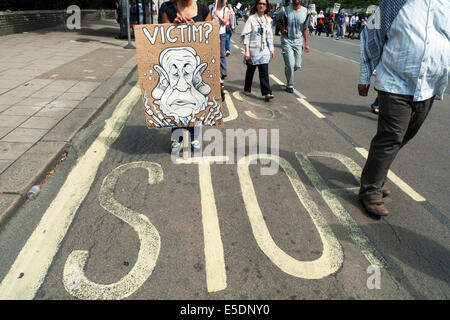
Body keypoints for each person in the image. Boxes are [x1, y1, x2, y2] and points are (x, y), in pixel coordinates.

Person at [357, 0, 449, 216]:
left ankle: (374, 177)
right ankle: (370, 191)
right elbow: (371, 34)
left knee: (405, 135)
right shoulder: (395, 2)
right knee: (392, 136)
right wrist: (365, 75)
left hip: (429, 85)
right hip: (395, 82)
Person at [161, 0, 212, 153]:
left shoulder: (203, 10)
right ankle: (177, 138)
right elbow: (160, 37)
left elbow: (209, 38)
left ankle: (194, 135)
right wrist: (173, 27)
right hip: (175, 66)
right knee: (176, 101)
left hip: (194, 66)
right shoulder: (167, 9)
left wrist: (196, 29)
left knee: (194, 99)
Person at [241, 0, 275, 102]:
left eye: (264, 4)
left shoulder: (268, 20)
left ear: (266, 6)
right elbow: (246, 35)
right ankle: (247, 88)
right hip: (253, 50)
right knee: (250, 71)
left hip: (264, 50)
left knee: (264, 72)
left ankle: (267, 93)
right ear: (256, 5)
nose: (261, 5)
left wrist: (271, 49)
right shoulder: (251, 19)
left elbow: (270, 36)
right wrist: (247, 51)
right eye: (260, 3)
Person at [275, 0, 310, 94]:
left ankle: (288, 70)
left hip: (298, 41)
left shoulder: (306, 11)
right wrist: (281, 28)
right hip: (286, 40)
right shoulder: (284, 10)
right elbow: (275, 18)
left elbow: (306, 28)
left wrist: (306, 43)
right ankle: (289, 85)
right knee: (290, 64)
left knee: (297, 65)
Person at [213, 0, 231, 80]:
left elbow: (225, 22)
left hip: (221, 33)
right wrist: (212, 15)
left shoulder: (225, 9)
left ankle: (223, 71)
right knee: (212, 52)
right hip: (212, 33)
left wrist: (218, 16)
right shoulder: (211, 8)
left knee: (221, 52)